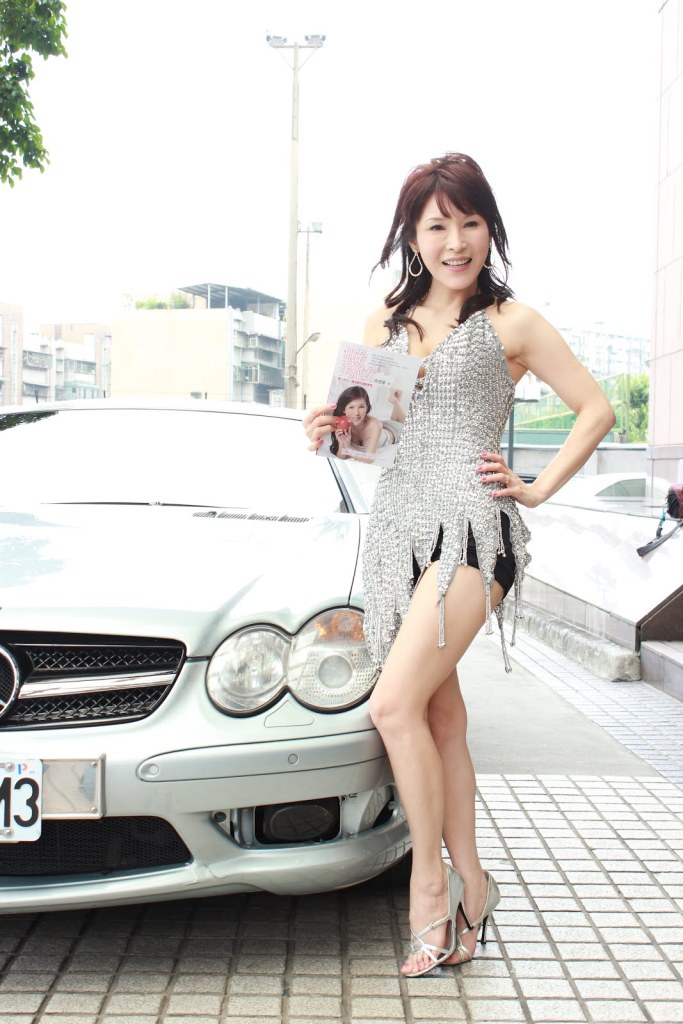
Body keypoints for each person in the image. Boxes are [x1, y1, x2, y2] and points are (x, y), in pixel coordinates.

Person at [303, 153, 615, 977]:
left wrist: (535, 487)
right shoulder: (387, 319)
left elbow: (595, 408)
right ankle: (475, 883)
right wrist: (330, 431)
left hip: (476, 530)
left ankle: (429, 888)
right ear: (411, 235)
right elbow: (371, 441)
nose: (455, 241)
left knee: (392, 705)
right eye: (437, 225)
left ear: (488, 229)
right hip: (398, 531)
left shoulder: (512, 322)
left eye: (469, 223)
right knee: (438, 716)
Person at [329, 385, 405, 462]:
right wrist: (342, 444)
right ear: (344, 410)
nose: (356, 413)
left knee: (405, 425)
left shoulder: (375, 425)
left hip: (394, 433)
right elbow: (341, 456)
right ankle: (395, 401)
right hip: (380, 428)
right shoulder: (343, 425)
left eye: (361, 407)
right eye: (351, 407)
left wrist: (349, 448)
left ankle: (395, 402)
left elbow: (369, 459)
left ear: (367, 407)